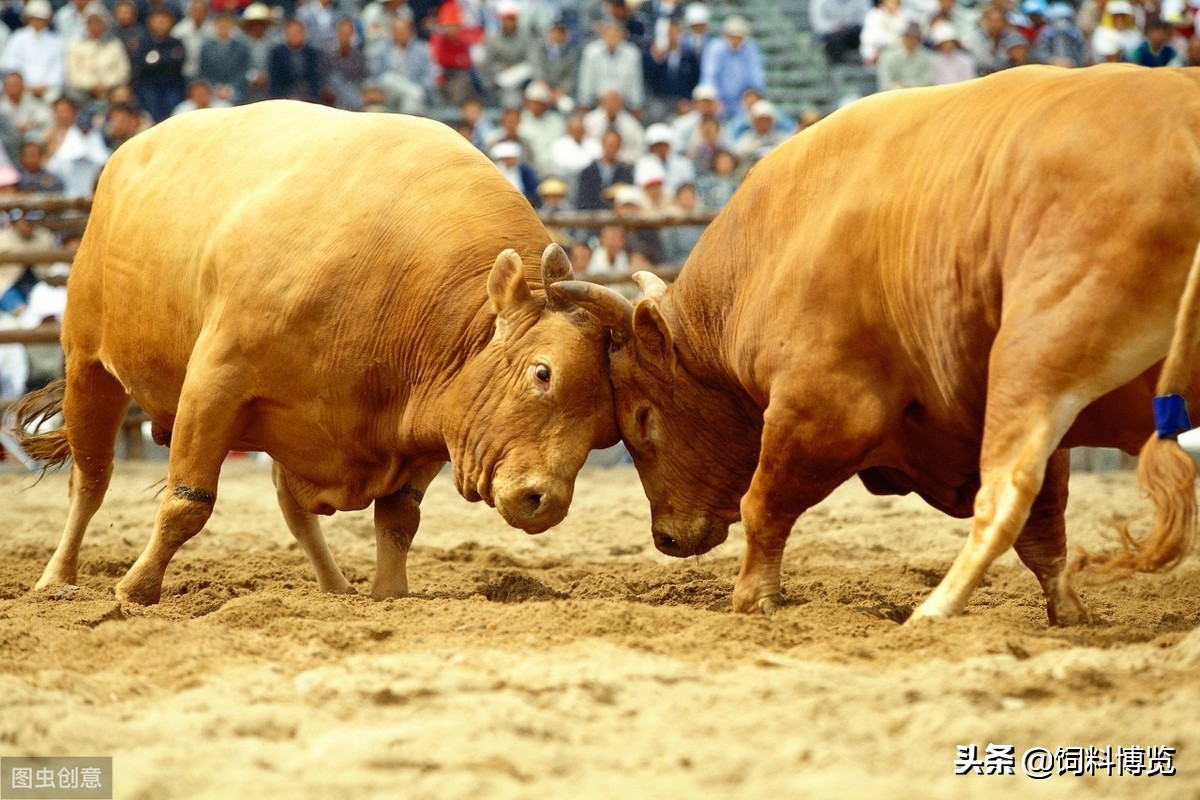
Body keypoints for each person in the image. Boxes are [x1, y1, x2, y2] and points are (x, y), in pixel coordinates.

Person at [698, 16, 764, 120]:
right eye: (732, 36)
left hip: (742, 103)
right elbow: (709, 76)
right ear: (726, 36)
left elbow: (756, 77)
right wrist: (715, 99)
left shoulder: (750, 49)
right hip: (718, 101)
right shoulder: (716, 48)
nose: (735, 41)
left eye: (739, 37)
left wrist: (751, 95)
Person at [66, 11, 131, 113]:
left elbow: (123, 72)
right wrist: (92, 85)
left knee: (122, 93)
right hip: (84, 90)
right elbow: (73, 74)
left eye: (98, 23)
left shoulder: (115, 45)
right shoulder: (76, 45)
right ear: (86, 25)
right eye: (91, 23)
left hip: (110, 88)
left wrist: (106, 84)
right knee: (71, 95)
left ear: (104, 25)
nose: (95, 27)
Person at [0, 0, 65, 102]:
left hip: (47, 89)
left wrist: (45, 86)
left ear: (47, 20)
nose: (38, 21)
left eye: (41, 19)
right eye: (35, 18)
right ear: (28, 18)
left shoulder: (55, 41)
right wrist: (24, 85)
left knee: (54, 98)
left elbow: (58, 68)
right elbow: (11, 64)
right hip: (22, 88)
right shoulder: (17, 38)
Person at [133, 7, 186, 122]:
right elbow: (141, 65)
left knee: (174, 102)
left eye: (164, 20)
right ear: (150, 22)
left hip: (172, 83)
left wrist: (157, 61)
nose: (161, 24)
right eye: (158, 20)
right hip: (149, 83)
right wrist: (166, 59)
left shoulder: (176, 42)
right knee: (149, 99)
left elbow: (178, 64)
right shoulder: (144, 43)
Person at [576, 19, 644, 110]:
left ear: (622, 36)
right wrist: (584, 105)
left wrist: (636, 106)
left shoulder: (632, 53)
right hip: (596, 106)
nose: (612, 37)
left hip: (624, 107)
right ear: (602, 35)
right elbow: (586, 83)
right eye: (609, 34)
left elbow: (636, 85)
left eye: (616, 34)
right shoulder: (591, 52)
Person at [0, 208, 58, 315]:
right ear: (15, 223)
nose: (26, 225)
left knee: (48, 305)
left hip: (40, 281)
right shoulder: (3, 238)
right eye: (23, 221)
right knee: (15, 305)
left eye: (30, 221)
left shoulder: (44, 236)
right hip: (10, 283)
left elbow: (51, 265)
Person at [370, 16, 433, 113]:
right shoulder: (381, 50)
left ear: (410, 32)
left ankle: (406, 123)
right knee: (388, 78)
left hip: (414, 87)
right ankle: (413, 93)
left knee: (410, 100)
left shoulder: (421, 49)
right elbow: (376, 75)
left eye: (403, 30)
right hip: (389, 91)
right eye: (397, 31)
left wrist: (421, 87)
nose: (400, 34)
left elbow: (429, 75)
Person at [643, 14, 700, 121]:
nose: (672, 35)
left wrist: (688, 99)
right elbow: (647, 78)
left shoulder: (689, 55)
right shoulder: (654, 53)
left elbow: (694, 80)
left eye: (675, 31)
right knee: (654, 114)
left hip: (682, 99)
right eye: (669, 32)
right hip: (659, 99)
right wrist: (655, 60)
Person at [45, 104, 109, 195]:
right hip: (68, 198)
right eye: (82, 129)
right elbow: (52, 169)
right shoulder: (68, 144)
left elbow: (102, 159)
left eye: (87, 129)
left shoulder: (95, 139)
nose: (84, 131)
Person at [479, 0, 534, 106]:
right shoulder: (493, 38)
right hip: (499, 79)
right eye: (506, 19)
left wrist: (516, 69)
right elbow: (486, 63)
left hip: (523, 78)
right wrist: (499, 68)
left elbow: (533, 59)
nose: (509, 22)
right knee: (508, 93)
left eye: (512, 19)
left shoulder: (526, 37)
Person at [428, 1, 481, 105]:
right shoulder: (438, 40)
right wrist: (456, 61)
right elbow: (439, 60)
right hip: (442, 77)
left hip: (458, 75)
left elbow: (467, 62)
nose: (452, 29)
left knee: (469, 80)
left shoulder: (462, 41)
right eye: (449, 26)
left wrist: (457, 62)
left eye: (455, 26)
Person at [575, 127, 634, 210]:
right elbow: (582, 200)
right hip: (592, 218)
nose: (611, 148)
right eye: (609, 144)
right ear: (602, 144)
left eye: (614, 145)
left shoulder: (625, 172)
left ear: (619, 147)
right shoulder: (588, 172)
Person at [516, 80, 565, 177]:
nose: (535, 106)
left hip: (554, 168)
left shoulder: (557, 121)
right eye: (532, 102)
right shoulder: (521, 120)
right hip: (529, 168)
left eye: (539, 103)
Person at [530, 12, 579, 107]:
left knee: (567, 106)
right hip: (542, 86)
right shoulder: (539, 47)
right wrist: (546, 88)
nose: (558, 34)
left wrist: (561, 90)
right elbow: (536, 67)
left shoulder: (572, 53)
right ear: (549, 31)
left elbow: (571, 77)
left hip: (560, 91)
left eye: (561, 31)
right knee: (535, 95)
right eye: (555, 30)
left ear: (567, 33)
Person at [582, 87, 645, 162]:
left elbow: (641, 147)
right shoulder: (590, 120)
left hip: (624, 163)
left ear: (622, 104)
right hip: (594, 159)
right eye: (609, 101)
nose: (612, 104)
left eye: (615, 101)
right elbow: (582, 142)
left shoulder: (631, 124)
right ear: (601, 102)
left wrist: (624, 159)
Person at [548, 109, 599, 198]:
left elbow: (596, 164)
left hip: (589, 183)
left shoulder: (593, 144)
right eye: (575, 129)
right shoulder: (559, 144)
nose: (578, 132)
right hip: (565, 182)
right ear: (569, 129)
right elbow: (562, 165)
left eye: (580, 129)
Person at [268, 19, 322, 101]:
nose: (295, 36)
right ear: (286, 35)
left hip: (308, 97)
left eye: (298, 33)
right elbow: (275, 80)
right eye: (292, 33)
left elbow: (315, 78)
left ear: (304, 34)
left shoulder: (313, 53)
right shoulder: (277, 53)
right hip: (284, 97)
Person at [320, 17, 367, 110]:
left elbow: (361, 78)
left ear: (353, 34)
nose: (345, 37)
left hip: (353, 90)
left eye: (348, 34)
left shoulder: (359, 57)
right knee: (335, 79)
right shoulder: (328, 54)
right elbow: (323, 76)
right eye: (342, 33)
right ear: (337, 34)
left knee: (348, 88)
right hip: (333, 90)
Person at [636, 122, 695, 195]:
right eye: (657, 146)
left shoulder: (684, 164)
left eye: (664, 145)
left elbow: (689, 187)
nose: (661, 148)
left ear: (669, 145)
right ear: (652, 148)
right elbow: (641, 187)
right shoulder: (643, 164)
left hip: (678, 202)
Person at [731, 99, 789, 169]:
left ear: (772, 121)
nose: (763, 123)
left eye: (766, 120)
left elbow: (788, 151)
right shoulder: (747, 137)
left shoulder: (781, 137)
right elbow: (738, 153)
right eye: (760, 120)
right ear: (754, 121)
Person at [877, 20, 934, 89]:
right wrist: (896, 87)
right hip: (892, 94)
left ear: (919, 39)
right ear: (903, 37)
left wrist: (909, 85)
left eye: (915, 37)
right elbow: (885, 81)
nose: (911, 40)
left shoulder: (926, 57)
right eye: (908, 36)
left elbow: (927, 79)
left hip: (917, 93)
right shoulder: (888, 55)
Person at [0, 72, 53, 146]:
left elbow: (45, 117)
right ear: (5, 87)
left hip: (31, 139)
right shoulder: (2, 105)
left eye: (16, 85)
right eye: (10, 85)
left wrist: (30, 124)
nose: (13, 88)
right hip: (9, 142)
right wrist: (14, 128)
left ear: (23, 86)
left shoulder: (31, 99)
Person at [661, 182, 704, 264]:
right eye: (685, 196)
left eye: (691, 196)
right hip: (679, 262)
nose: (688, 199)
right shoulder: (671, 219)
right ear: (678, 199)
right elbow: (669, 251)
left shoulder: (703, 217)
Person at [490, 140, 541, 209]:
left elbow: (532, 189)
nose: (508, 161)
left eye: (510, 158)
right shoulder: (495, 170)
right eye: (505, 159)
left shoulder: (524, 171)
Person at [860, 0, 913, 65]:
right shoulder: (874, 14)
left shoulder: (906, 15)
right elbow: (869, 38)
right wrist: (892, 40)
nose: (892, 2)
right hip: (876, 55)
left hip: (901, 55)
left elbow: (909, 38)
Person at [171, 0, 214, 80]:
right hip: (184, 71)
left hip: (209, 72)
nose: (198, 13)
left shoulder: (213, 30)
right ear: (189, 11)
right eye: (195, 10)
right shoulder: (179, 30)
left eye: (201, 10)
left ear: (207, 12)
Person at [967, 4, 1011, 74]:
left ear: (1004, 22)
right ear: (986, 21)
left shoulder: (1010, 37)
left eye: (998, 20)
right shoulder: (977, 38)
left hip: (1006, 75)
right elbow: (981, 62)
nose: (995, 24)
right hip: (983, 76)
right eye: (991, 20)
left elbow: (1017, 58)